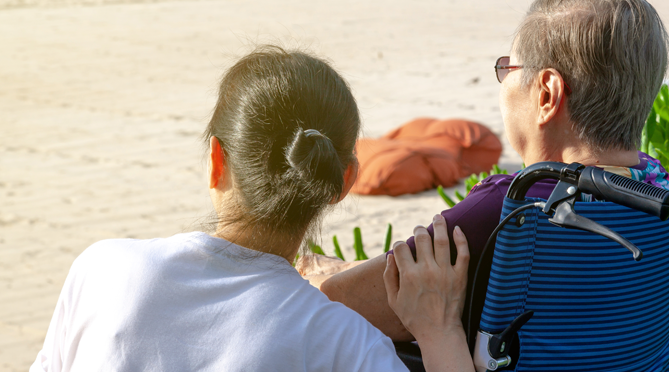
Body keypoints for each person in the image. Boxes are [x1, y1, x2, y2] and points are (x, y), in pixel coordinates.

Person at [31, 46, 474, 372]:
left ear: (216, 161)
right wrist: (439, 331)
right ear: (345, 182)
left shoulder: (102, 270)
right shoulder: (345, 343)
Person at [315, 0, 669, 341]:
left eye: (508, 69)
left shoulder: (511, 213)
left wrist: (321, 274)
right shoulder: (658, 191)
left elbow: (340, 305)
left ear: (547, 95)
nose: (503, 83)